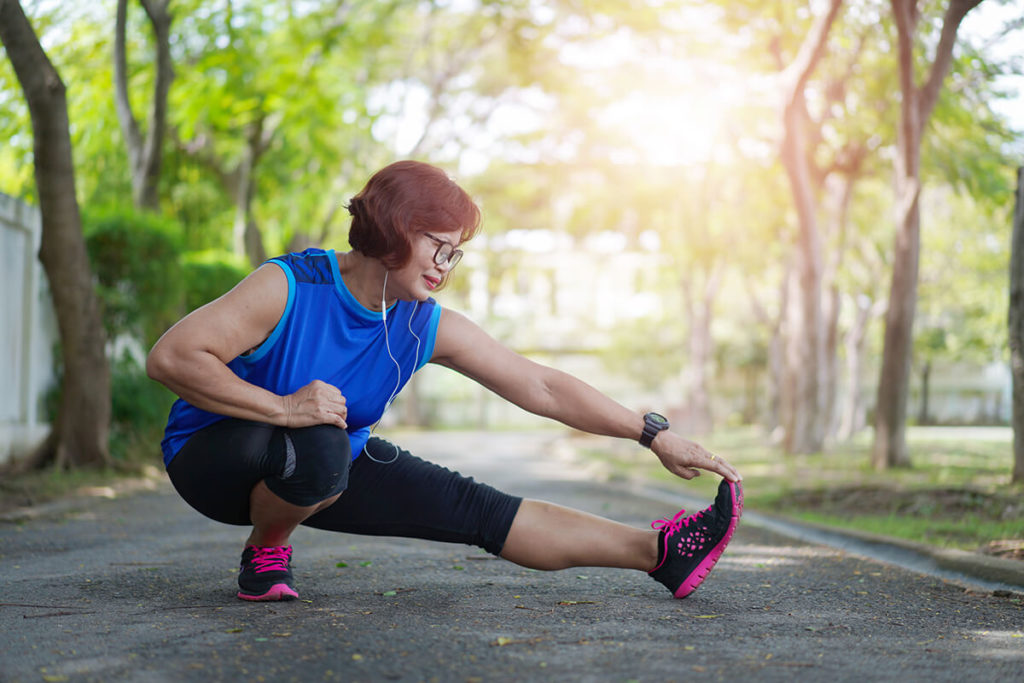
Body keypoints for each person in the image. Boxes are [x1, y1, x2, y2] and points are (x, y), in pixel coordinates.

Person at [146, 160, 743, 603]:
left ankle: (659, 553)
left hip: (320, 465)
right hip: (215, 459)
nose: (443, 265)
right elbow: (172, 357)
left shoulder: (421, 323)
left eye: (454, 253)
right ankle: (266, 550)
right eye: (437, 244)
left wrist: (652, 434)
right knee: (325, 442)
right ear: (393, 226)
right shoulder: (292, 286)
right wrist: (282, 407)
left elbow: (541, 386)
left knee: (476, 508)